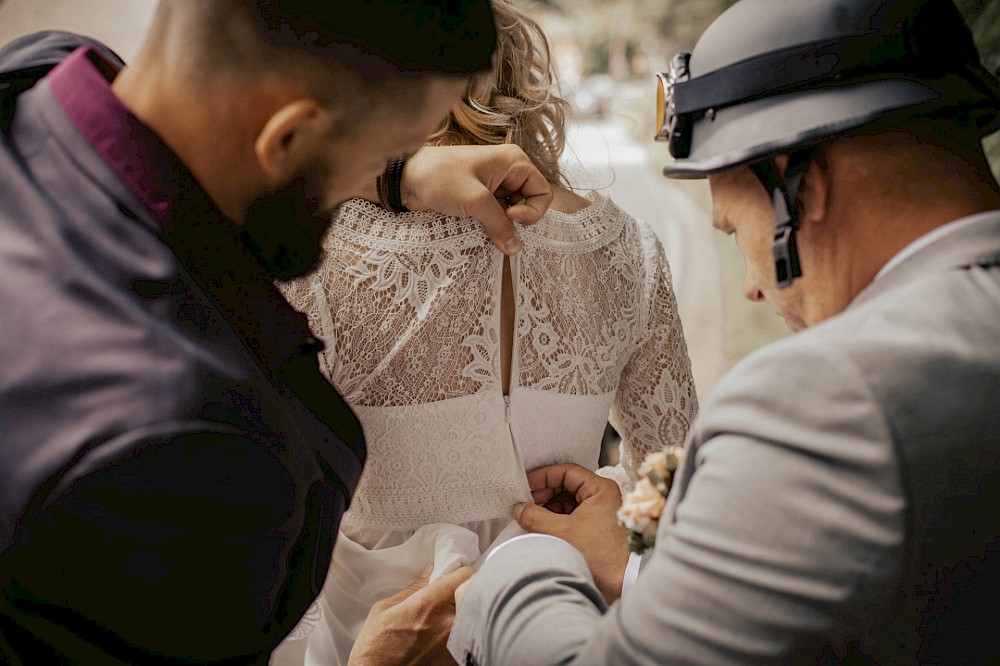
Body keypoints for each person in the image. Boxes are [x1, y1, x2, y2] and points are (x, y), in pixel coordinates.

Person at [0, 2, 557, 663]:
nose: (372, 180)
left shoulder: (31, 78)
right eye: (384, 151)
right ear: (287, 137)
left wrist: (400, 178)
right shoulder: (190, 446)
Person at [447, 0, 1000, 663]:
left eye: (738, 232)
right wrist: (642, 571)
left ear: (800, 183)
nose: (752, 288)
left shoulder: (829, 400)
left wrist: (521, 561)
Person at [271, 2, 698, 663]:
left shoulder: (317, 252)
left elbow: (265, 520)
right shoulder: (627, 250)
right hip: (562, 637)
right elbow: (673, 488)